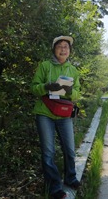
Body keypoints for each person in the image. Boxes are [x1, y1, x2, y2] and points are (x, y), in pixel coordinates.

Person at [31, 36, 81, 199]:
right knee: (48, 152)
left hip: (64, 114)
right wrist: (46, 86)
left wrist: (69, 91)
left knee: (70, 150)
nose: (63, 49)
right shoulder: (44, 66)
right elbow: (34, 88)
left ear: (69, 51)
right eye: (60, 46)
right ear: (54, 49)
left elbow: (77, 94)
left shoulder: (73, 70)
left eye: (66, 47)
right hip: (45, 113)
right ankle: (54, 188)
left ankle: (71, 178)